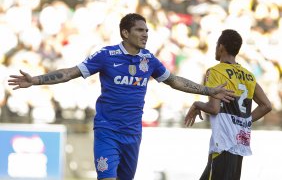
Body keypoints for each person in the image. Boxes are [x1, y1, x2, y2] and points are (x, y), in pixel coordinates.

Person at [8, 13, 234, 180]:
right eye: (139, 30)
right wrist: (36, 80)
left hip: (133, 134)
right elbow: (70, 73)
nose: (145, 34)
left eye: (147, 31)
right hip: (108, 131)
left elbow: (174, 81)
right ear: (125, 33)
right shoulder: (106, 55)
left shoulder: (149, 60)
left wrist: (209, 90)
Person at [184, 29, 272, 180]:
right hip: (240, 142)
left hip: (223, 142)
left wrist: (197, 103)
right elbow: (266, 106)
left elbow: (214, 108)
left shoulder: (215, 71)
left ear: (221, 47)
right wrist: (244, 121)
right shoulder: (249, 76)